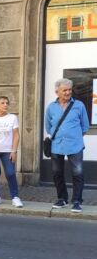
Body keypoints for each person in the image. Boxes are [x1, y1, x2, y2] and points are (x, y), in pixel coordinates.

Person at [45, 78, 89, 213]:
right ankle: (62, 199)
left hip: (75, 145)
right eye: (65, 90)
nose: (68, 92)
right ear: (57, 92)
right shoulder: (51, 107)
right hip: (57, 145)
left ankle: (77, 201)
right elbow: (48, 126)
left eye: (70, 89)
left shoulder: (79, 105)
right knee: (57, 173)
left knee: (78, 173)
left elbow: (85, 126)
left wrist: (74, 137)